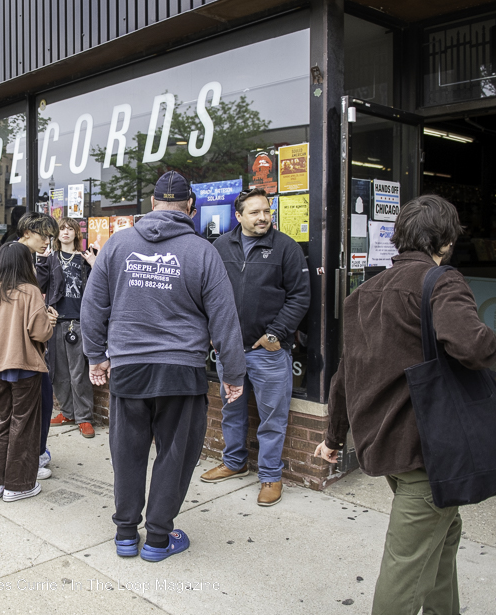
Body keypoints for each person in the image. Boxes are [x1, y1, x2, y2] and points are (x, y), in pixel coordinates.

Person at [314, 195, 496, 615]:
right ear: (447, 240)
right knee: (407, 560)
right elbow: (474, 346)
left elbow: (345, 374)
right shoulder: (441, 282)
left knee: (443, 535)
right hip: (428, 450)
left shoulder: (363, 293)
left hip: (389, 448)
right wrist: (494, 341)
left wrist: (333, 438)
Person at [81, 170, 246, 562]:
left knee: (127, 452)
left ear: (152, 205)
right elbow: (225, 317)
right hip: (181, 370)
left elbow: (92, 307)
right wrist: (234, 373)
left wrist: (96, 356)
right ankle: (157, 539)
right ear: (190, 207)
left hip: (130, 368)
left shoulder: (117, 244)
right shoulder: (203, 251)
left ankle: (125, 534)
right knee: (175, 454)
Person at [200, 187, 311, 507]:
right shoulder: (220, 246)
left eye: (267, 211)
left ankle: (271, 477)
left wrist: (276, 334)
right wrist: (212, 328)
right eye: (255, 212)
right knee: (232, 411)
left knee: (272, 419)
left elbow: (300, 296)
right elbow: (207, 291)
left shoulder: (286, 248)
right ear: (238, 216)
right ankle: (235, 462)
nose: (263, 217)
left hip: (269, 353)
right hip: (229, 349)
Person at [0, 242, 57, 502]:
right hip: (25, 366)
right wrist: (50, 320)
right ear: (24, 263)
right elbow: (40, 332)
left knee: (2, 422)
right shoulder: (30, 291)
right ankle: (18, 486)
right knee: (24, 424)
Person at [37, 217, 98, 438]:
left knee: (78, 371)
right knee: (58, 371)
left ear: (76, 233)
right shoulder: (51, 257)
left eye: (70, 229)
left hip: (78, 321)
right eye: (62, 229)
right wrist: (41, 263)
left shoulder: (84, 257)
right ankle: (67, 412)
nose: (65, 232)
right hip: (56, 321)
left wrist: (94, 264)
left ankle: (84, 417)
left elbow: (98, 287)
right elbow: (40, 286)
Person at [15, 211, 59, 466]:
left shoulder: (23, 256)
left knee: (38, 400)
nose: (47, 242)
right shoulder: (16, 256)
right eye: (44, 235)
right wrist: (42, 319)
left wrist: (42, 312)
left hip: (24, 343)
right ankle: (35, 454)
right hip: (23, 345)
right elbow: (13, 304)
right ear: (28, 232)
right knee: (38, 402)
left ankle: (34, 452)